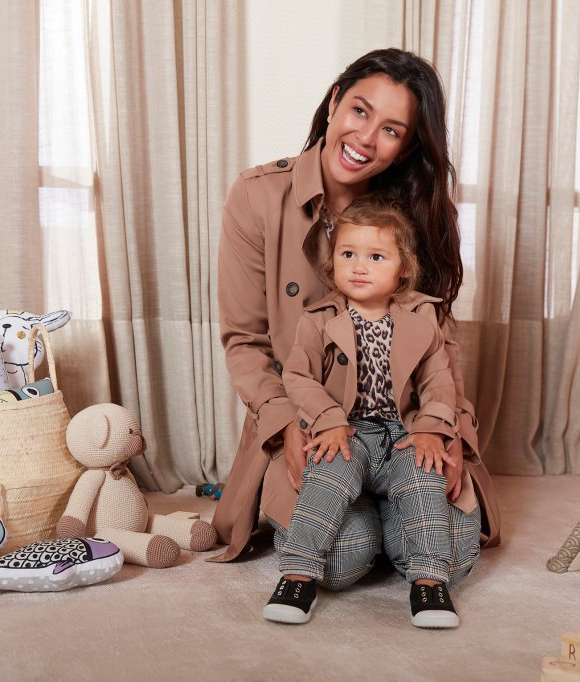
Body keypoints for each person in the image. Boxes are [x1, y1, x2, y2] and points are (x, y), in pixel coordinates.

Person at [211, 48, 501, 595]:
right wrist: (286, 428)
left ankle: (405, 518)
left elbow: (441, 350)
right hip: (310, 426)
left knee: (454, 556)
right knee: (340, 559)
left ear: (406, 148)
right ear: (334, 102)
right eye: (361, 111)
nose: (367, 138)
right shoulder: (257, 196)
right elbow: (245, 343)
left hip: (407, 429)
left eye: (391, 129)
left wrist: (450, 430)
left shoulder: (414, 208)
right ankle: (390, 526)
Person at [264, 198, 462, 627]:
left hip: (403, 430)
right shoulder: (317, 320)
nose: (359, 266)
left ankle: (429, 581)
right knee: (328, 468)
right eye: (348, 254)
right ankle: (298, 573)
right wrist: (329, 420)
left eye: (376, 257)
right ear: (332, 260)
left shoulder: (422, 315)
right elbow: (299, 378)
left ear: (402, 268)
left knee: (424, 471)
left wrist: (431, 429)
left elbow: (438, 379)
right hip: (347, 428)